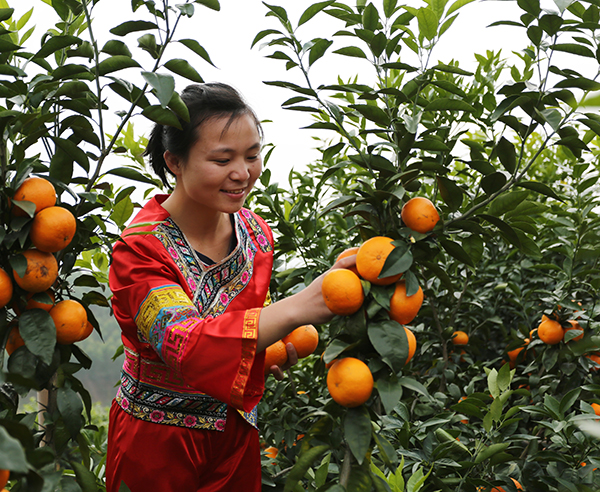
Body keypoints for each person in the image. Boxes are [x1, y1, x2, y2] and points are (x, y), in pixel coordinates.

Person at [105, 83, 355, 492]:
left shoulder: (256, 235)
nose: (243, 173)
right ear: (174, 161)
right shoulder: (140, 252)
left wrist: (262, 352)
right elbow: (185, 343)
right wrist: (304, 304)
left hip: (236, 437)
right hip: (157, 441)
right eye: (222, 159)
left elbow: (242, 322)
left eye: (252, 155)